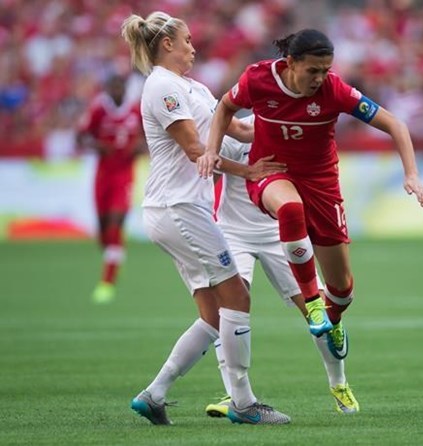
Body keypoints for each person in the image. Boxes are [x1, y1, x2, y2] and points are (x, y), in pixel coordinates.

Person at [198, 29, 423, 362]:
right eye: (313, 71)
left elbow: (395, 124)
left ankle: (332, 316)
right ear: (290, 62)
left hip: (322, 184)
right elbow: (224, 108)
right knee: (290, 210)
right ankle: (313, 303)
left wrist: (412, 174)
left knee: (343, 289)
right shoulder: (258, 79)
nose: (321, 78)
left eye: (326, 70)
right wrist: (211, 151)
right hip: (272, 172)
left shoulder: (335, 90)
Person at [120, 11, 290, 425]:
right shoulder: (161, 87)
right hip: (177, 208)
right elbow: (197, 150)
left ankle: (154, 395)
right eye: (188, 41)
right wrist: (247, 172)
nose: (194, 47)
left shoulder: (191, 87)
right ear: (167, 45)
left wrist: (288, 118)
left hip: (183, 210)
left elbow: (240, 132)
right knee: (238, 297)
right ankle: (245, 404)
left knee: (215, 315)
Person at [204, 115, 359, 416]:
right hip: (233, 233)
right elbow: (209, 164)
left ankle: (339, 382)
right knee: (230, 309)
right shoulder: (235, 129)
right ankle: (234, 393)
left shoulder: (294, 133)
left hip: (280, 236)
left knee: (318, 312)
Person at [76, 74, 145, 304]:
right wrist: (97, 145)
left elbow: (151, 137)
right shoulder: (99, 110)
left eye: (119, 87)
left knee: (116, 224)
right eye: (112, 87)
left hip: (124, 176)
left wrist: (140, 148)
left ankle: (107, 282)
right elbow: (80, 137)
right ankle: (114, 257)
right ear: (107, 89)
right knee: (104, 231)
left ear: (125, 89)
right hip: (103, 175)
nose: (116, 91)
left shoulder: (136, 111)